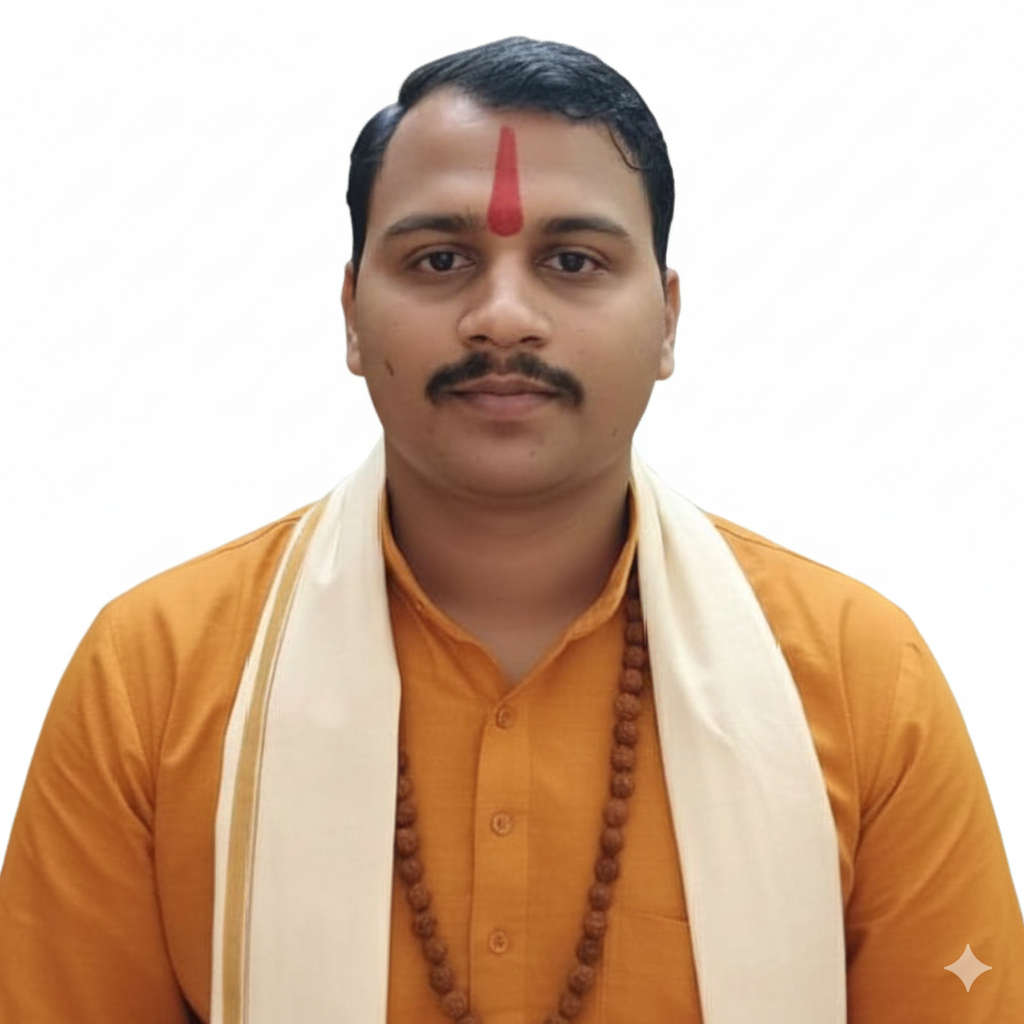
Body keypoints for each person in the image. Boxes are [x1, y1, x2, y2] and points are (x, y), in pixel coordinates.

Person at [0, 35, 1020, 1024]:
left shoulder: (858, 677)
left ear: (668, 320)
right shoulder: (154, 676)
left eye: (572, 261)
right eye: (439, 259)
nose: (501, 316)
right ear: (350, 312)